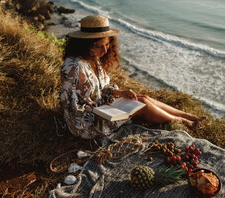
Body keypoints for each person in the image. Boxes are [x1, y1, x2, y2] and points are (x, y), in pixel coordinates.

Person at [60, 15, 203, 140]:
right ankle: (182, 122)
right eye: (99, 46)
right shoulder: (74, 67)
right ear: (86, 44)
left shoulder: (93, 57)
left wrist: (119, 93)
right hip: (87, 125)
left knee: (143, 98)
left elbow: (101, 89)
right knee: (142, 106)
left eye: (107, 44)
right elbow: (74, 108)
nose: (105, 50)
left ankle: (187, 115)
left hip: (102, 109)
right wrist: (108, 113)